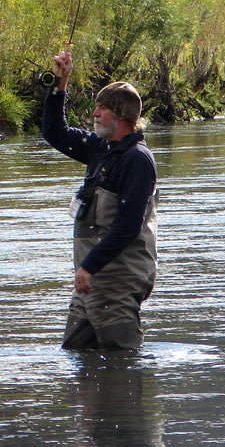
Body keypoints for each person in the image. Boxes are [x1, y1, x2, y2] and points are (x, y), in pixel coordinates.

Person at [42, 45, 158, 351]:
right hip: (90, 281)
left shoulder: (137, 160)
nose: (94, 113)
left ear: (120, 115)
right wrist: (60, 85)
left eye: (102, 108)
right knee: (75, 355)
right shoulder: (99, 148)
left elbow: (128, 225)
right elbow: (54, 132)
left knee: (123, 364)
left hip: (117, 282)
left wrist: (88, 266)